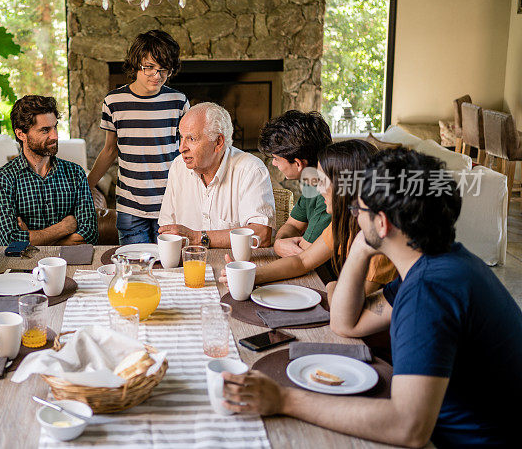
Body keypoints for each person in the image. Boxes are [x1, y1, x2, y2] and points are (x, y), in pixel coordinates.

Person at [223, 148, 522, 447]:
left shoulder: (428, 291)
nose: (352, 212)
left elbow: (408, 428)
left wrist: (283, 400)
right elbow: (345, 323)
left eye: (358, 208)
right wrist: (363, 246)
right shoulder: (441, 262)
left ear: (382, 223)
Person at [221, 140, 396, 295]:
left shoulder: (379, 239)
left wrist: (333, 287)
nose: (318, 189)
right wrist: (249, 275)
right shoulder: (345, 222)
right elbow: (302, 261)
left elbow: (347, 307)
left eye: (323, 181)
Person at [87, 30, 189, 244]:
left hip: (172, 204)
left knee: (170, 270)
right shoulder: (114, 101)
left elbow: (188, 152)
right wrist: (87, 186)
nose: (156, 76)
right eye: (149, 67)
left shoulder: (178, 102)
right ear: (135, 65)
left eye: (164, 70)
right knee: (136, 271)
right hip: (130, 208)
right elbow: (109, 150)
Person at [158, 102, 275, 248]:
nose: (181, 148)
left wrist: (198, 238)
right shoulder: (178, 166)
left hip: (233, 266)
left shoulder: (251, 170)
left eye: (191, 139)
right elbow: (167, 229)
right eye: (181, 137)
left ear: (218, 142)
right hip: (189, 263)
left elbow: (261, 235)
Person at [0, 95, 98, 246]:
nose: (54, 136)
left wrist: (32, 239)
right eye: (45, 130)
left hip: (71, 263)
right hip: (25, 267)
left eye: (55, 127)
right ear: (21, 134)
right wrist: (64, 228)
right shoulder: (3, 179)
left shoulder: (75, 173)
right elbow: (10, 241)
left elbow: (90, 234)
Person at [258, 110, 332, 257]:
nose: (273, 163)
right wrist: (281, 242)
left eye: (276, 159)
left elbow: (302, 254)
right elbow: (292, 225)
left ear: (298, 163)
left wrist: (279, 246)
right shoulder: (312, 181)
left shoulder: (328, 194)